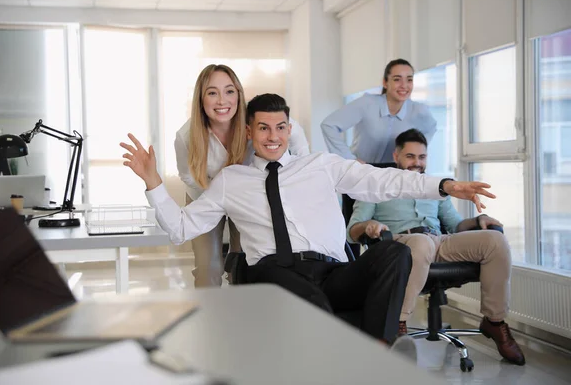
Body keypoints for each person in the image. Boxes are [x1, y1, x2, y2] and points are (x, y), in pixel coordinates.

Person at [120, 94, 495, 344]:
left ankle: (377, 355)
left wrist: (444, 185)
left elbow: (383, 180)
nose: (273, 136)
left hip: (333, 272)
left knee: (396, 254)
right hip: (275, 273)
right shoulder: (230, 180)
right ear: (249, 131)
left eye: (280, 127)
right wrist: (152, 180)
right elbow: (182, 227)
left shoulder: (321, 166)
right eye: (263, 128)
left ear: (289, 129)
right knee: (291, 285)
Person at [347, 129, 525, 365]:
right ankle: (396, 324)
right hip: (397, 244)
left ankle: (494, 321)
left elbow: (455, 225)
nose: (417, 163)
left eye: (422, 157)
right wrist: (368, 225)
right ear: (396, 156)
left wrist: (478, 222)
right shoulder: (376, 185)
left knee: (495, 240)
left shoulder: (435, 187)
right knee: (421, 243)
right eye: (410, 156)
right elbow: (352, 231)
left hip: (437, 242)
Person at [173, 64, 310, 287]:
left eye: (229, 91)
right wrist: (218, 194)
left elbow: (293, 131)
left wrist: (301, 170)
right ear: (200, 98)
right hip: (203, 196)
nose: (222, 101)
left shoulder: (255, 120)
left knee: (245, 260)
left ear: (239, 94)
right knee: (209, 267)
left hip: (248, 195)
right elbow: (187, 176)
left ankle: (243, 314)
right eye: (212, 93)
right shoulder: (186, 135)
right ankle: (210, 317)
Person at [321, 59, 437, 164]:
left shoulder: (418, 110)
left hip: (393, 173)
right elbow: (329, 125)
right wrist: (349, 160)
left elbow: (431, 128)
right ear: (385, 83)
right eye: (397, 79)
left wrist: (412, 155)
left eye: (409, 80)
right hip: (362, 170)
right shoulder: (367, 103)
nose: (404, 85)